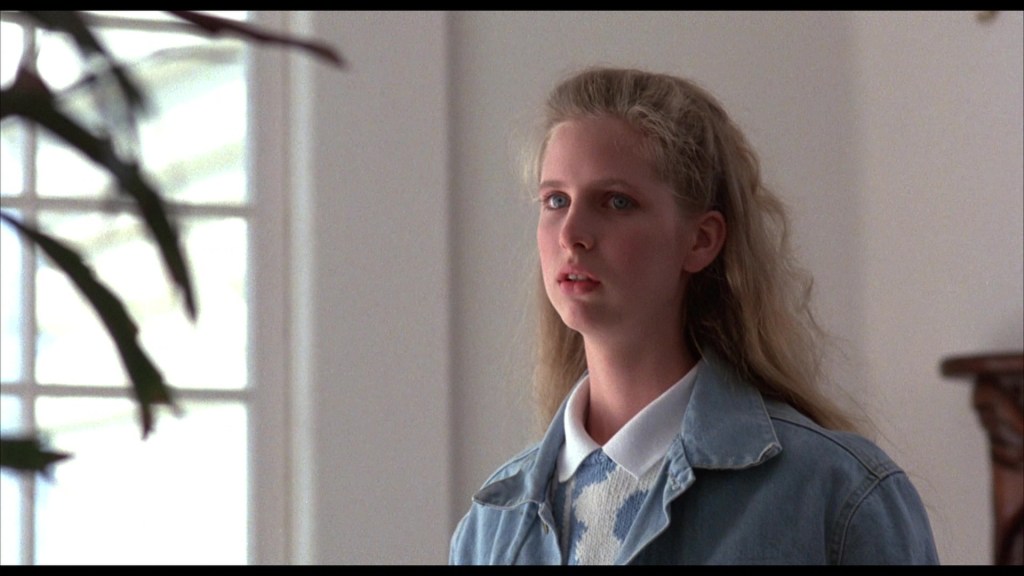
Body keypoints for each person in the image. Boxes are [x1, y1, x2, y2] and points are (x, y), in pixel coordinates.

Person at [449, 66, 939, 565]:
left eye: (616, 202)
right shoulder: (492, 526)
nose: (570, 233)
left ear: (701, 240)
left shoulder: (835, 494)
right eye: (556, 200)